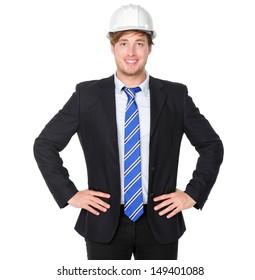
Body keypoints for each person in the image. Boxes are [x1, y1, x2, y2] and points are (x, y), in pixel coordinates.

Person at [34, 4, 224, 260]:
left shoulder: (175, 96)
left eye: (139, 43)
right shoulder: (87, 96)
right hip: (104, 222)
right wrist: (69, 194)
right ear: (112, 47)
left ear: (150, 47)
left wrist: (193, 193)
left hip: (160, 220)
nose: (131, 52)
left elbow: (211, 145)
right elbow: (45, 144)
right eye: (123, 43)